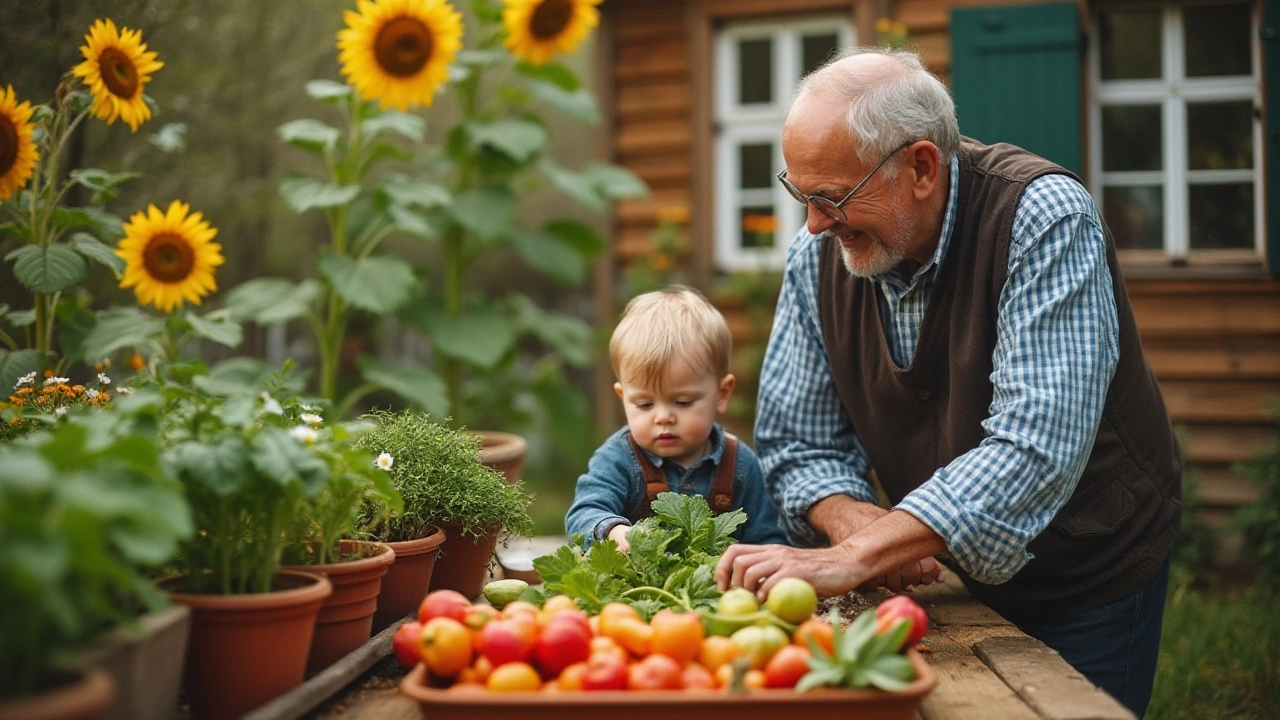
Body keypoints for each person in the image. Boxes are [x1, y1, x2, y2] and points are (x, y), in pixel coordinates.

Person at [713, 48, 1180, 717]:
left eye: (833, 197)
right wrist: (864, 529)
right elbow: (799, 442)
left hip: (1088, 568)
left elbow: (1033, 447)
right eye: (801, 194)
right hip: (937, 575)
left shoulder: (1044, 218)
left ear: (923, 168)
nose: (813, 224)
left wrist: (855, 557)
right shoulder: (816, 255)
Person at [566, 285, 789, 550]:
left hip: (711, 589)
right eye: (644, 404)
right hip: (634, 587)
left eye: (683, 402)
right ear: (622, 397)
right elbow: (583, 516)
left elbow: (766, 538)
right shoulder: (618, 459)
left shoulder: (741, 465)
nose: (663, 417)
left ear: (722, 393)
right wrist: (614, 533)